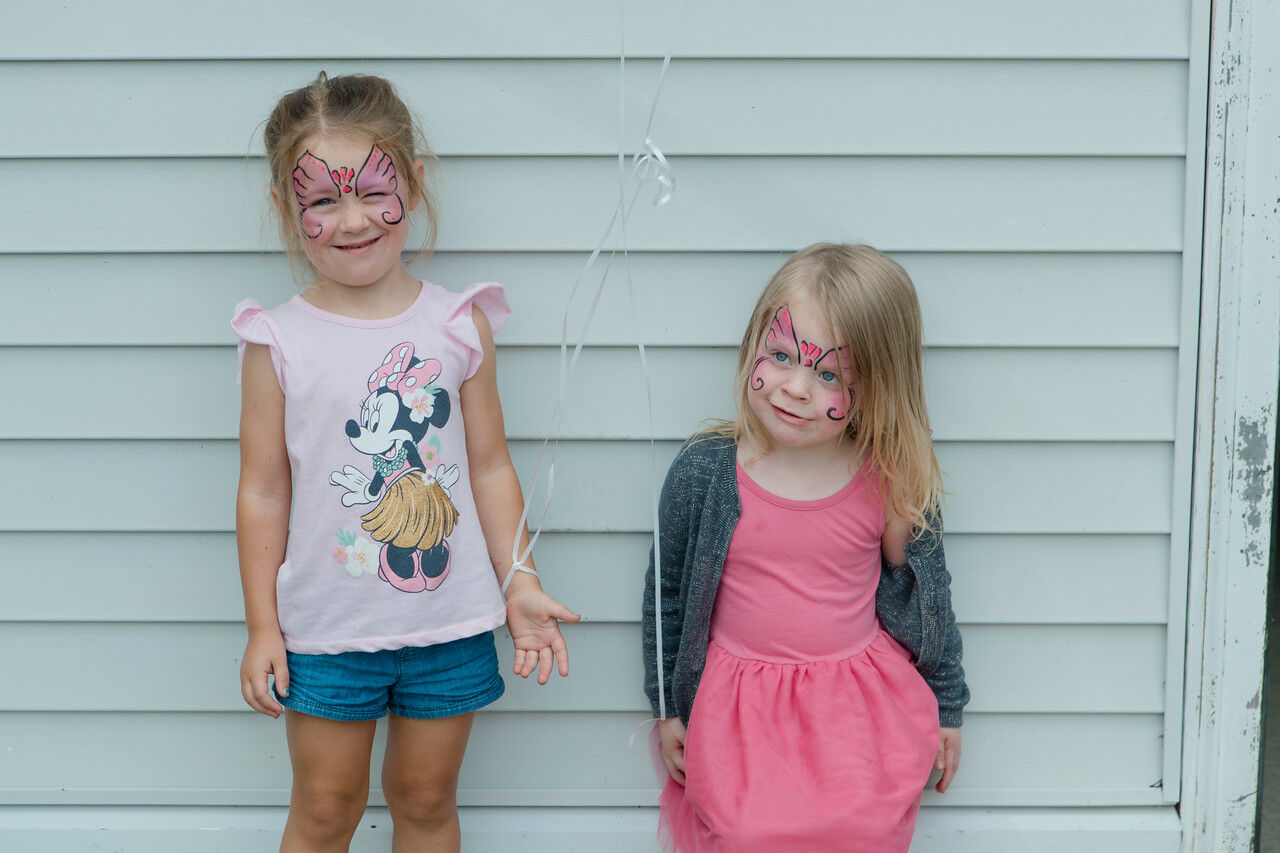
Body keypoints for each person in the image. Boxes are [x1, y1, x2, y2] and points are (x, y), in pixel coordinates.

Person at [233, 72, 578, 852]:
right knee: (325, 807)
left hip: (447, 623)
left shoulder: (458, 327)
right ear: (287, 208)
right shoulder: (277, 343)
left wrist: (519, 580)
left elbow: (488, 467)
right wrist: (263, 626)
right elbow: (262, 490)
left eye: (372, 192)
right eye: (322, 199)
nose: (352, 220)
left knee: (425, 799)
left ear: (413, 186)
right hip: (323, 632)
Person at [642, 243, 970, 852]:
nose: (794, 389)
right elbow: (666, 594)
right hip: (740, 708)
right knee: (746, 834)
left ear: (875, 386)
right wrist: (668, 706)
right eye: (781, 357)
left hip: (854, 708)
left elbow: (929, 599)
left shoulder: (890, 478)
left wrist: (947, 706)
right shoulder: (706, 471)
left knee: (861, 831)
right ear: (752, 346)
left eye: (828, 376)